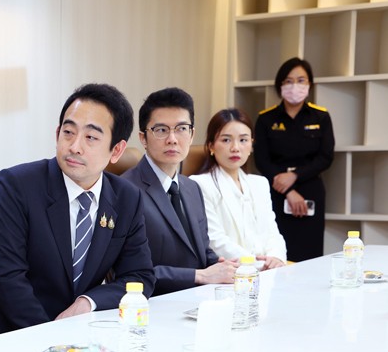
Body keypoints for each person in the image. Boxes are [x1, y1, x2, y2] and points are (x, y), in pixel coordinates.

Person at [0, 83, 155, 339]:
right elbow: (9, 279)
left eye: (91, 137)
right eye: (68, 132)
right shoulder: (17, 185)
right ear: (57, 134)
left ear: (116, 150)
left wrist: (89, 302)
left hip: (76, 337)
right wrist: (55, 338)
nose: (75, 147)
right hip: (6, 335)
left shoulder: (126, 198)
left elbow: (139, 276)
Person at [121, 87, 238, 295]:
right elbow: (129, 273)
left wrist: (227, 268)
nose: (172, 139)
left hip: (200, 300)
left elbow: (202, 253)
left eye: (182, 128)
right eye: (161, 130)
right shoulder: (125, 191)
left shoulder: (192, 187)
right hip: (152, 305)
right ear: (143, 138)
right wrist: (199, 276)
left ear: (192, 135)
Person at [254, 57, 334, 262]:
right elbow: (261, 160)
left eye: (301, 80)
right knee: (276, 252)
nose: (294, 86)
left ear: (309, 84)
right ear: (280, 85)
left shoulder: (320, 117)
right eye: (288, 81)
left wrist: (295, 176)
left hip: (310, 189)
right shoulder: (266, 118)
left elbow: (325, 157)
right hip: (276, 190)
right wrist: (288, 189)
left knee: (310, 253)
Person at [190, 108, 287, 270]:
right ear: (211, 146)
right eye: (226, 140)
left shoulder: (260, 183)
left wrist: (276, 258)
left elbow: (272, 232)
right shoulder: (199, 184)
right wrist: (257, 264)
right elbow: (214, 240)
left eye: (243, 140)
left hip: (269, 271)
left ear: (251, 144)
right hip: (231, 273)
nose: (235, 148)